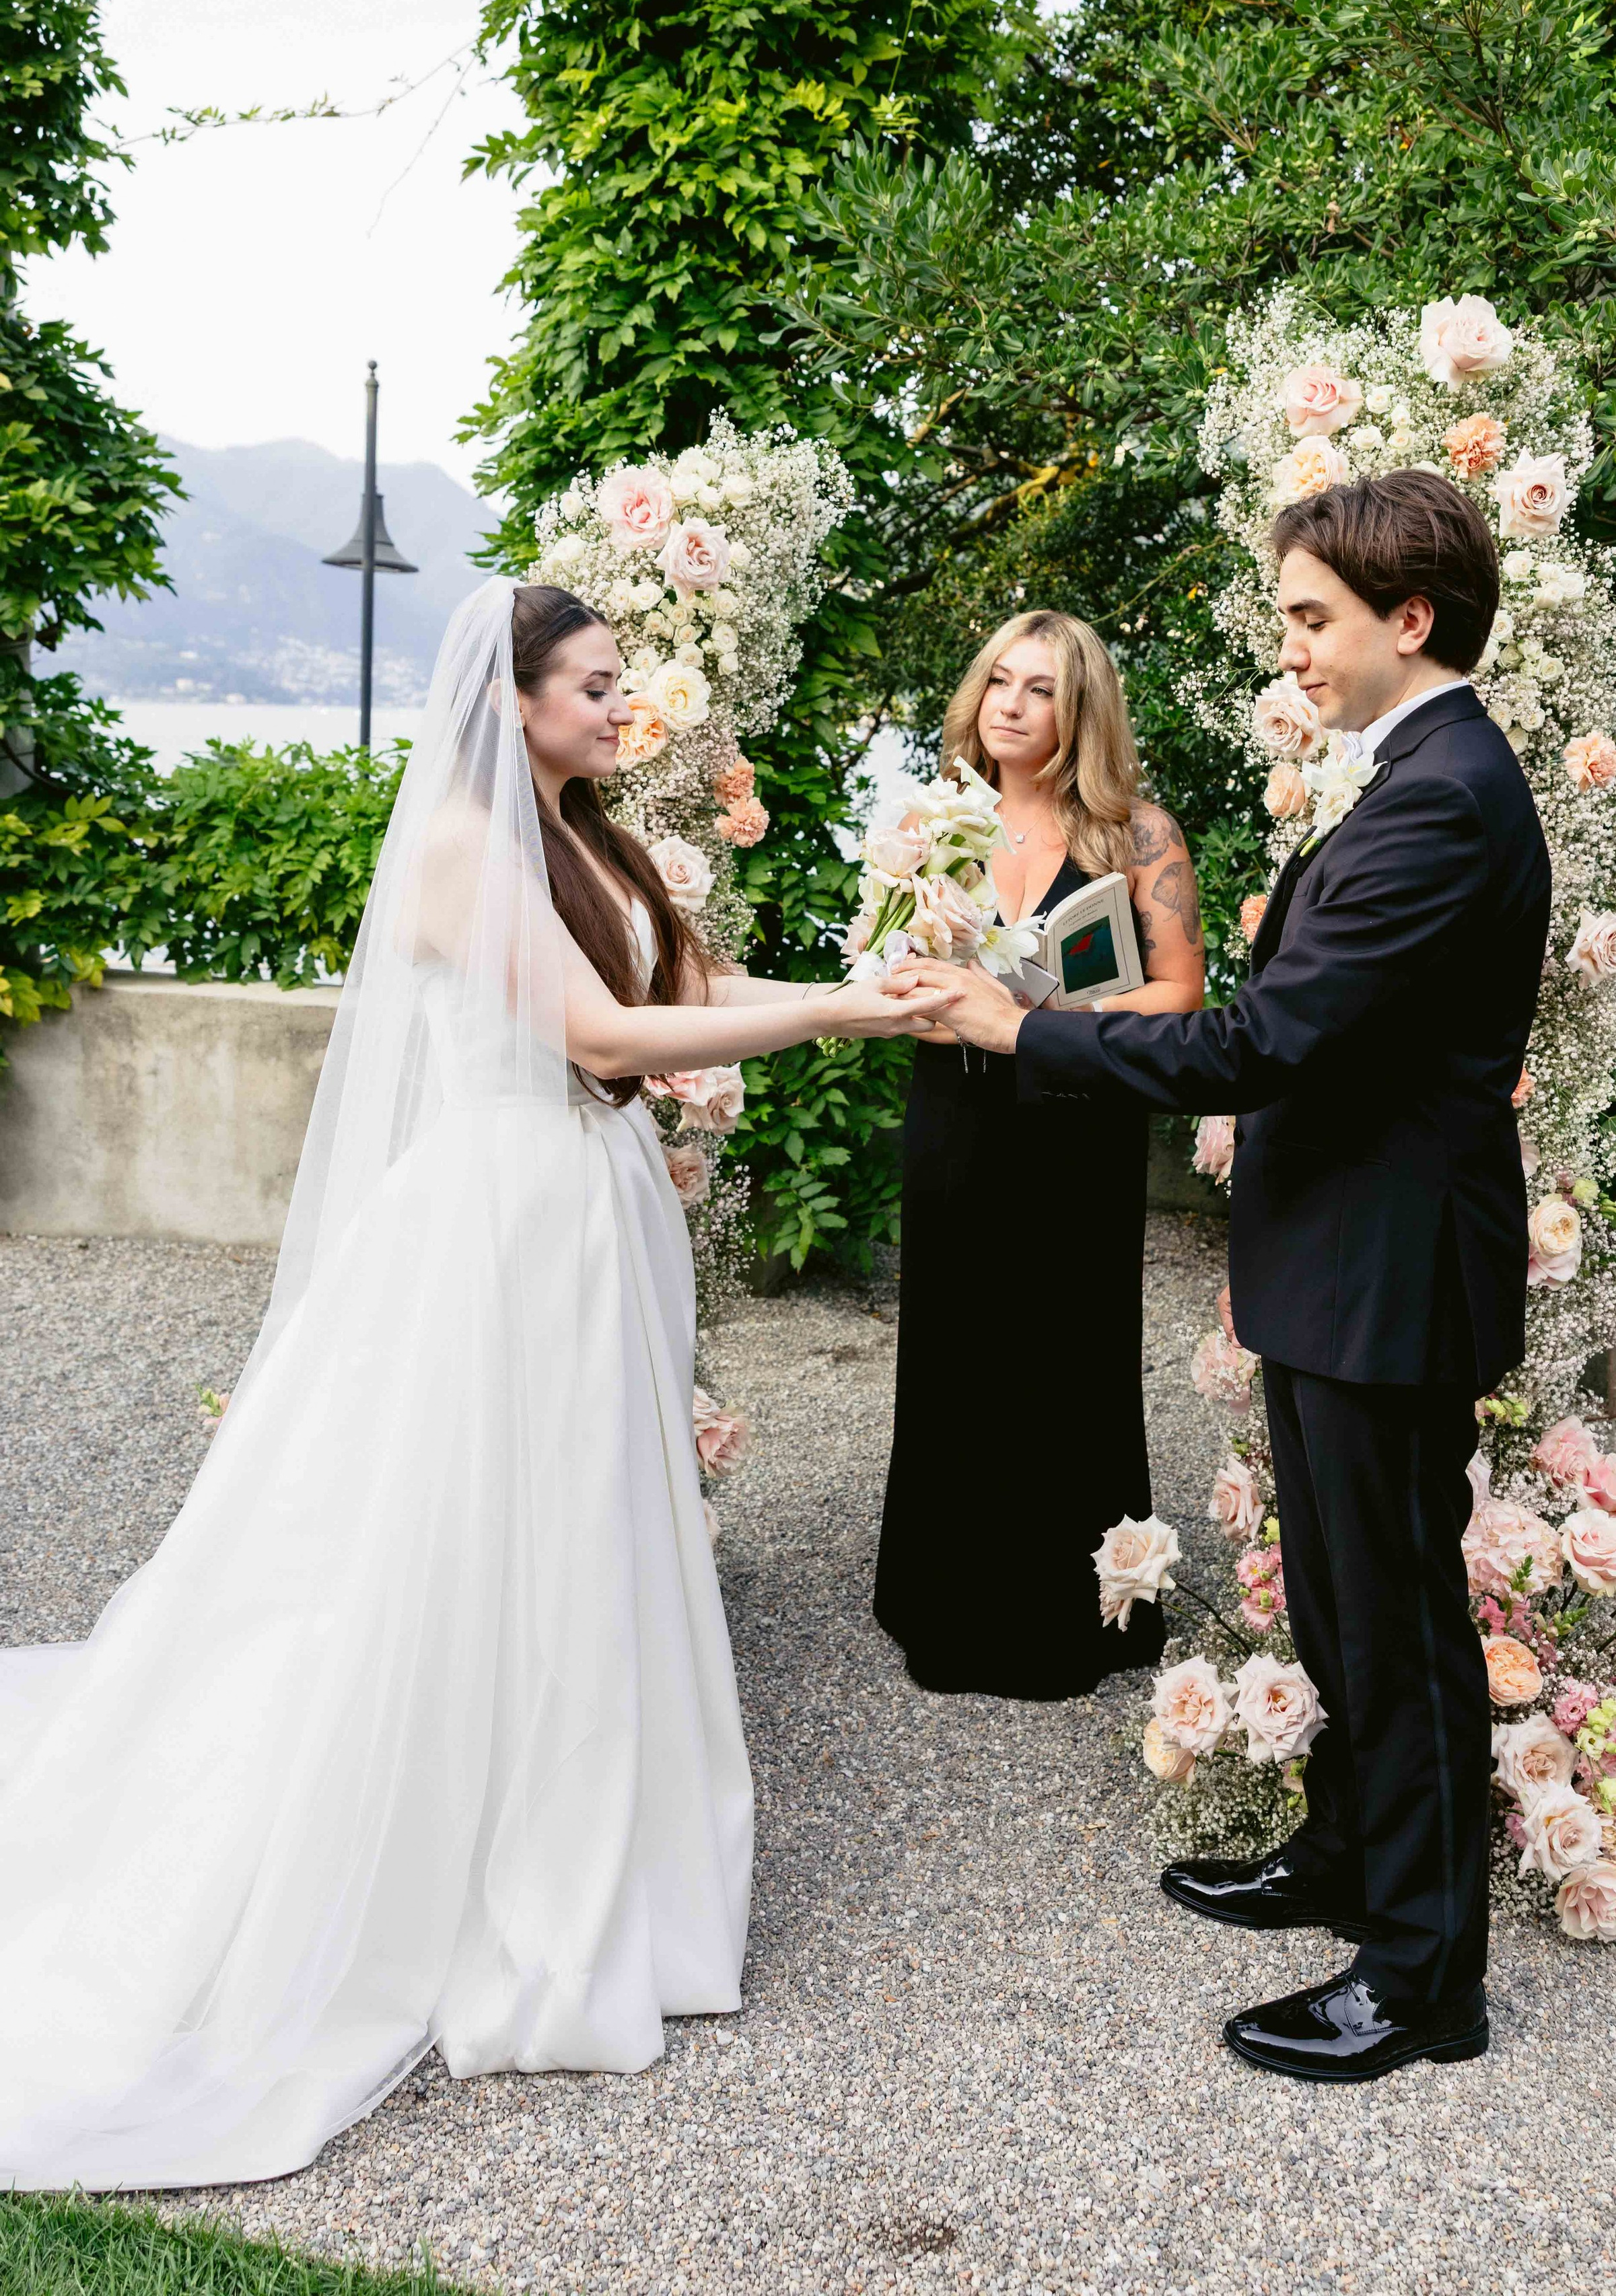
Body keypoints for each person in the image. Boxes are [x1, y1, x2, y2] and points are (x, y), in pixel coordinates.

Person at [0, 579, 927, 2191]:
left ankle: (592, 1831)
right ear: (508, 701)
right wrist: (853, 1011)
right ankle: (465, 1848)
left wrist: (874, 994)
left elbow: (688, 1001)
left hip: (594, 1209)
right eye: (590, 685)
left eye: (621, 683)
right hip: (501, 1221)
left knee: (587, 1517)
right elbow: (599, 1034)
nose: (615, 708)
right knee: (473, 1524)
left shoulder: (593, 844)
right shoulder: (458, 851)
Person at [892, 472, 1550, 2083]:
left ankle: (1420, 1981)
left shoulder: (1441, 794)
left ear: (1410, 619)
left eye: (1309, 619)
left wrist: (1018, 1027)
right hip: (1339, 1263)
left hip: (1386, 1273)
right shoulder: (1404, 770)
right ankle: (1342, 1858)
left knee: (1394, 1629)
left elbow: (1265, 1038)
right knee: (1339, 1602)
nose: (1289, 649)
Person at [874, 610, 1205, 1699]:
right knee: (957, 1348)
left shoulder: (1137, 835)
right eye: (998, 683)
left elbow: (1181, 998)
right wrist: (934, 999)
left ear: (1083, 711)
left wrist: (1042, 1009)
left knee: (1071, 1352)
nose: (1010, 706)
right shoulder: (931, 825)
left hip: (1077, 1125)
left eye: (1041, 690)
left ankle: (1082, 1617)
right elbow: (889, 979)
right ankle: (947, 1601)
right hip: (958, 1123)